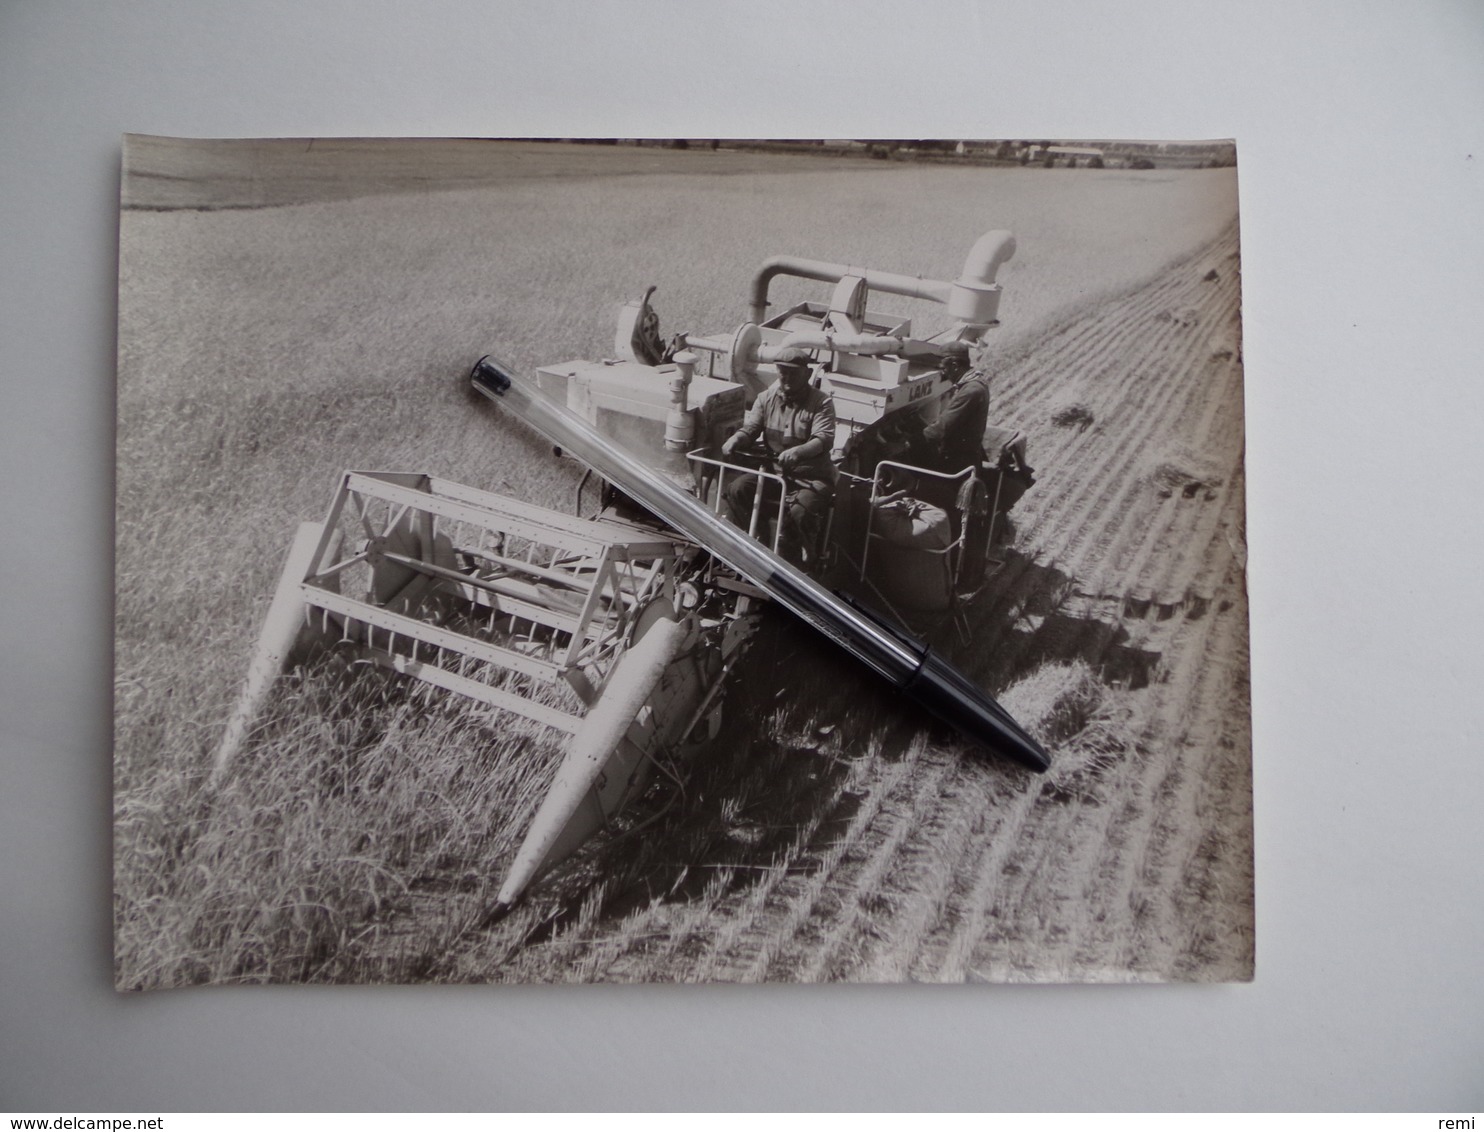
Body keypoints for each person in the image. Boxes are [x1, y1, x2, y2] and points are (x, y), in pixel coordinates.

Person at [720, 349, 837, 563]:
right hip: (774, 474)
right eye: (782, 372)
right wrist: (736, 439)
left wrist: (798, 452)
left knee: (801, 510)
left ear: (808, 373)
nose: (787, 377)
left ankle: (803, 559)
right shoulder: (765, 399)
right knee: (738, 489)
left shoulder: (821, 403)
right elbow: (752, 428)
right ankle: (753, 547)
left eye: (793, 372)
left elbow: (824, 438)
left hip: (810, 478)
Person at [920, 343, 992, 474]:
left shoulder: (970, 391)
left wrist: (909, 442)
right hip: (963, 458)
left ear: (954, 366)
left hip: (958, 464)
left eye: (943, 368)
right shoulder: (975, 383)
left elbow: (942, 428)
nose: (942, 373)